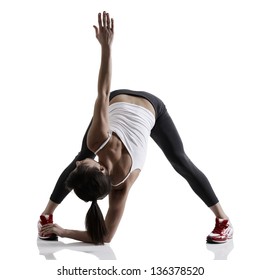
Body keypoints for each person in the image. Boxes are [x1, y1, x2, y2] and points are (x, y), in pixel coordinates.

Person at [39, 11, 233, 245]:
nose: (79, 163)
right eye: (83, 167)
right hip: (152, 109)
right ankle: (224, 221)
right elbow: (105, 237)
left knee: (84, 152)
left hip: (119, 99)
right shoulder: (120, 187)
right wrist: (62, 232)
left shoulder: (98, 140)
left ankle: (45, 214)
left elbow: (103, 92)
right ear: (101, 171)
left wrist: (106, 46)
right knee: (180, 161)